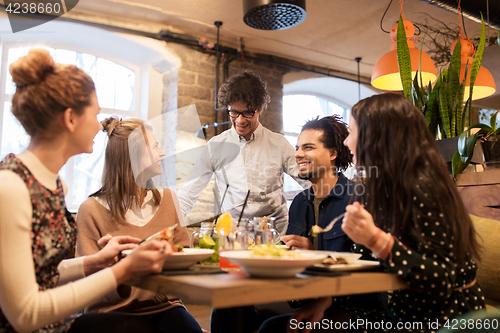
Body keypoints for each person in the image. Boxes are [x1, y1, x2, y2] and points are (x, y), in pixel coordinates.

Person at [259, 93, 485, 333]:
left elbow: (442, 280)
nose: (347, 143)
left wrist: (377, 240)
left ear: (378, 136)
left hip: (443, 320)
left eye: (353, 133)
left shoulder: (425, 188)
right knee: (274, 327)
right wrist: (323, 305)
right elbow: (366, 263)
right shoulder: (385, 189)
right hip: (403, 313)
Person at [0, 48, 173, 333]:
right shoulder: (11, 188)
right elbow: (24, 315)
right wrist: (123, 270)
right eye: (94, 113)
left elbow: (39, 273)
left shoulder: (54, 184)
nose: (99, 124)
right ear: (70, 119)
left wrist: (94, 262)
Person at [75, 117, 203, 333]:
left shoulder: (169, 199)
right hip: (112, 313)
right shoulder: (90, 210)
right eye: (155, 147)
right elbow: (86, 283)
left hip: (166, 307)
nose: (162, 153)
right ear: (134, 156)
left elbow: (185, 256)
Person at [177, 71, 309, 234]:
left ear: (260, 108)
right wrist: (169, 225)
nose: (240, 120)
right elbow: (187, 194)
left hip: (274, 236)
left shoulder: (279, 144)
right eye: (234, 112)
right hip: (232, 235)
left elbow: (309, 182)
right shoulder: (215, 146)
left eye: (248, 112)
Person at [280, 115, 353, 252]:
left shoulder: (356, 199)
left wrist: (314, 253)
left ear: (332, 154)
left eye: (308, 147)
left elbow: (366, 260)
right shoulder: (298, 203)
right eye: (297, 148)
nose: (297, 154)